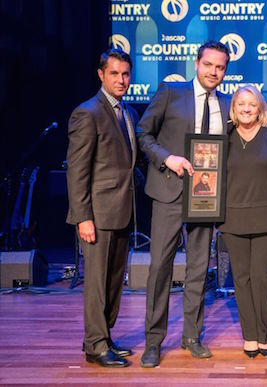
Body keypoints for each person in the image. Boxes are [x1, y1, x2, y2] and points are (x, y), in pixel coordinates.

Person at [136, 41, 231, 368]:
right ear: (197, 63)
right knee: (160, 267)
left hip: (207, 197)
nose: (214, 73)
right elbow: (143, 134)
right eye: (209, 65)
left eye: (220, 68)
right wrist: (168, 158)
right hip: (170, 191)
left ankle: (192, 335)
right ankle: (153, 341)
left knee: (198, 269)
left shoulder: (229, 103)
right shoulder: (170, 92)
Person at [66, 48, 138, 368]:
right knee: (96, 283)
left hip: (122, 209)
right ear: (101, 75)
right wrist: (83, 217)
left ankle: (101, 337)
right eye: (114, 74)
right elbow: (77, 170)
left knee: (112, 280)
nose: (121, 80)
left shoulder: (129, 112)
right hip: (98, 213)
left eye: (125, 74)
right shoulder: (88, 112)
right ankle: (96, 345)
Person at [217, 85, 267, 359]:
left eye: (252, 104)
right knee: (241, 278)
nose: (246, 109)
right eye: (241, 104)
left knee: (260, 276)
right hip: (232, 216)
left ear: (260, 108)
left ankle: (264, 334)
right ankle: (249, 336)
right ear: (233, 108)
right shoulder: (224, 137)